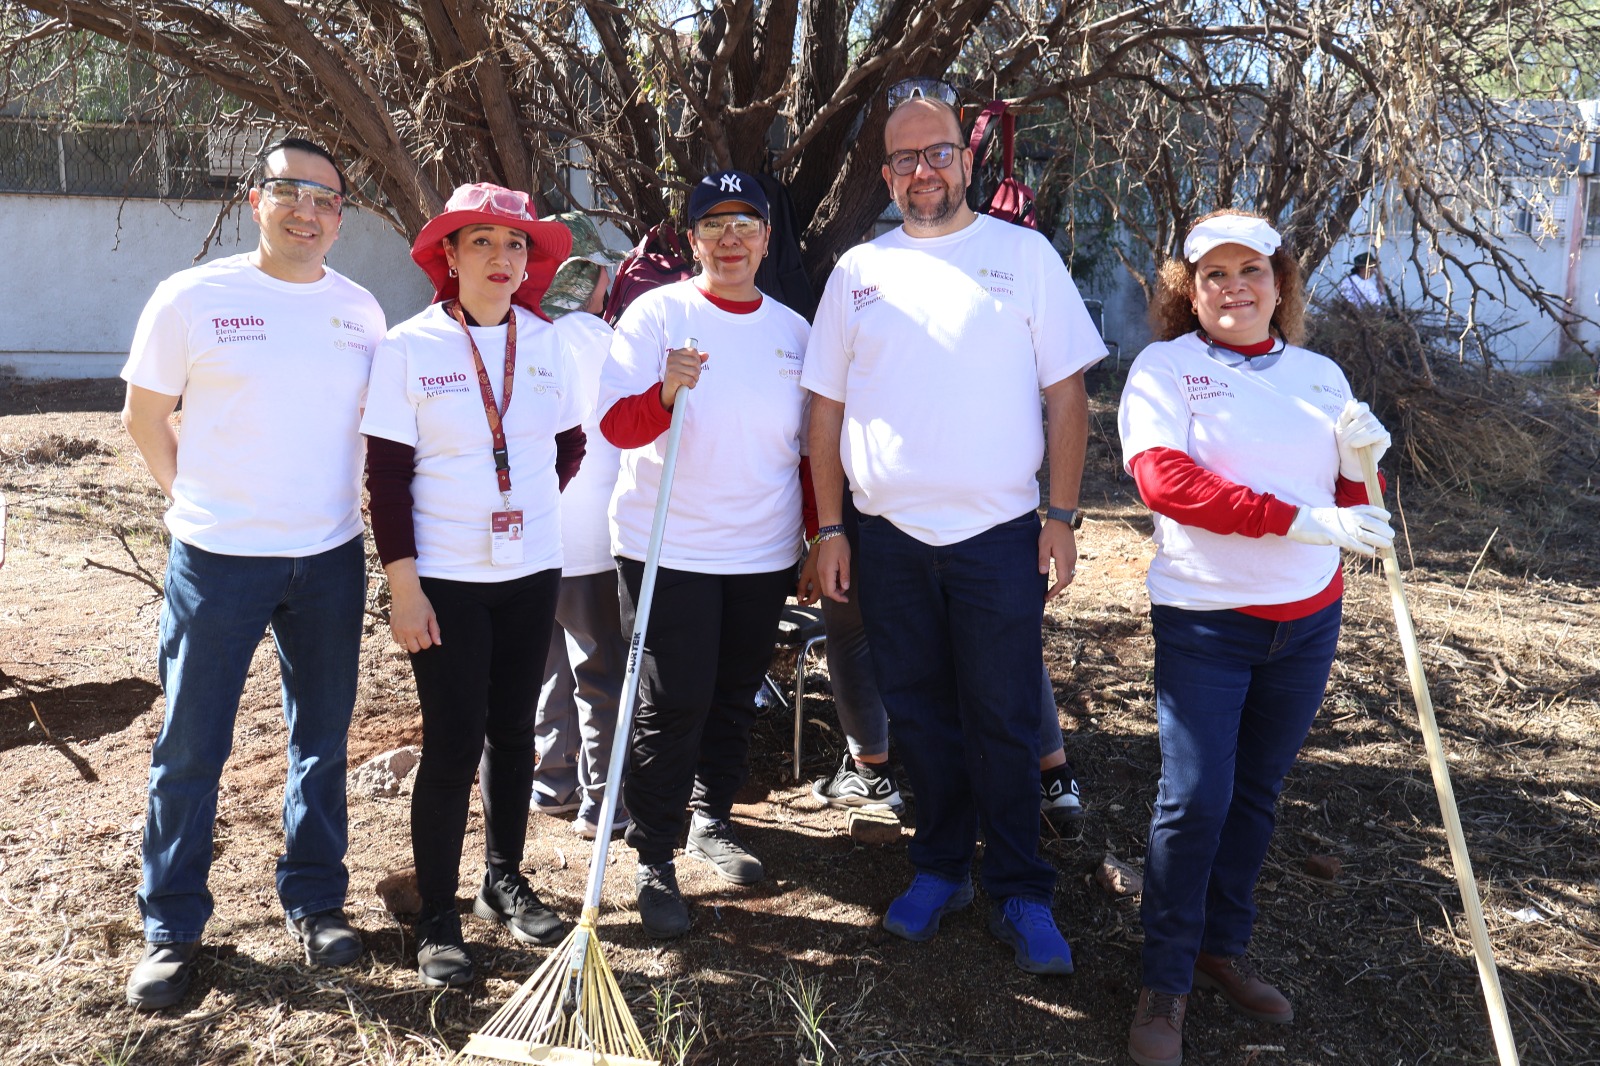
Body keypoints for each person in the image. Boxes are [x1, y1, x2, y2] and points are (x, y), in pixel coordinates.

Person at [803, 93, 1104, 976]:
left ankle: (1020, 887)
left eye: (937, 153)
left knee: (1003, 713)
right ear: (886, 175)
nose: (922, 172)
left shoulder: (1024, 257)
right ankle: (940, 868)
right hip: (888, 536)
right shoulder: (859, 271)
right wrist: (831, 527)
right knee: (920, 711)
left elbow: (1067, 397)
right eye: (904, 160)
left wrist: (1060, 516)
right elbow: (825, 411)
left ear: (966, 162)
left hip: (999, 534)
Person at [1116, 210, 1394, 1066]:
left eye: (1252, 271)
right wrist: (1299, 519)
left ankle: (1220, 947)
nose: (1234, 288)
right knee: (1195, 799)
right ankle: (1164, 980)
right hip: (1205, 622)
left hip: (1307, 622)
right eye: (1215, 274)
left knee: (1257, 794)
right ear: (1190, 289)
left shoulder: (1320, 376)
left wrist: (1362, 469)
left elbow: (1355, 515)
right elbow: (1165, 481)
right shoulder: (1166, 369)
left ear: (1281, 284)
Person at [120, 137, 384, 1010]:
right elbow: (144, 416)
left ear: (340, 219)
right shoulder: (192, 297)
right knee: (192, 745)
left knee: (322, 739)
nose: (307, 211)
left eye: (326, 199)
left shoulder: (361, 312)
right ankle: (171, 927)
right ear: (253, 200)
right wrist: (195, 502)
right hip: (218, 562)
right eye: (290, 192)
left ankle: (315, 900)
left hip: (330, 558)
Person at [361, 183, 584, 988]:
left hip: (531, 571)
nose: (501, 257)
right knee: (454, 742)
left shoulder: (546, 341)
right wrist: (405, 587)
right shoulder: (409, 346)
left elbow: (568, 446)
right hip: (446, 579)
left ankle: (502, 880)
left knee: (515, 733)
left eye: (515, 244)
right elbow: (387, 477)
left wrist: (521, 509)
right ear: (448, 256)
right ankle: (437, 914)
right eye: (481, 241)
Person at [598, 169, 811, 939]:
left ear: (766, 238)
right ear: (692, 239)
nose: (730, 238)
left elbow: (809, 452)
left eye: (745, 224)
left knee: (733, 693)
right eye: (714, 224)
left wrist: (817, 537)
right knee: (673, 699)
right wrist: (663, 393)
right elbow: (615, 426)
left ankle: (711, 817)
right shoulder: (658, 314)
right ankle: (653, 855)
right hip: (669, 547)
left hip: (762, 550)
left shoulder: (795, 332)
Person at [802, 503, 1085, 830]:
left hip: (879, 504)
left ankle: (870, 772)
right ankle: (1054, 778)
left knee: (852, 628)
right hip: (970, 506)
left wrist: (822, 531)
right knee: (1006, 639)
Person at [531, 218, 632, 840]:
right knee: (599, 671)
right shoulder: (605, 342)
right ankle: (604, 802)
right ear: (589, 276)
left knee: (549, 665)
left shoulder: (524, 337)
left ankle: (553, 782)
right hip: (594, 536)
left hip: (535, 539)